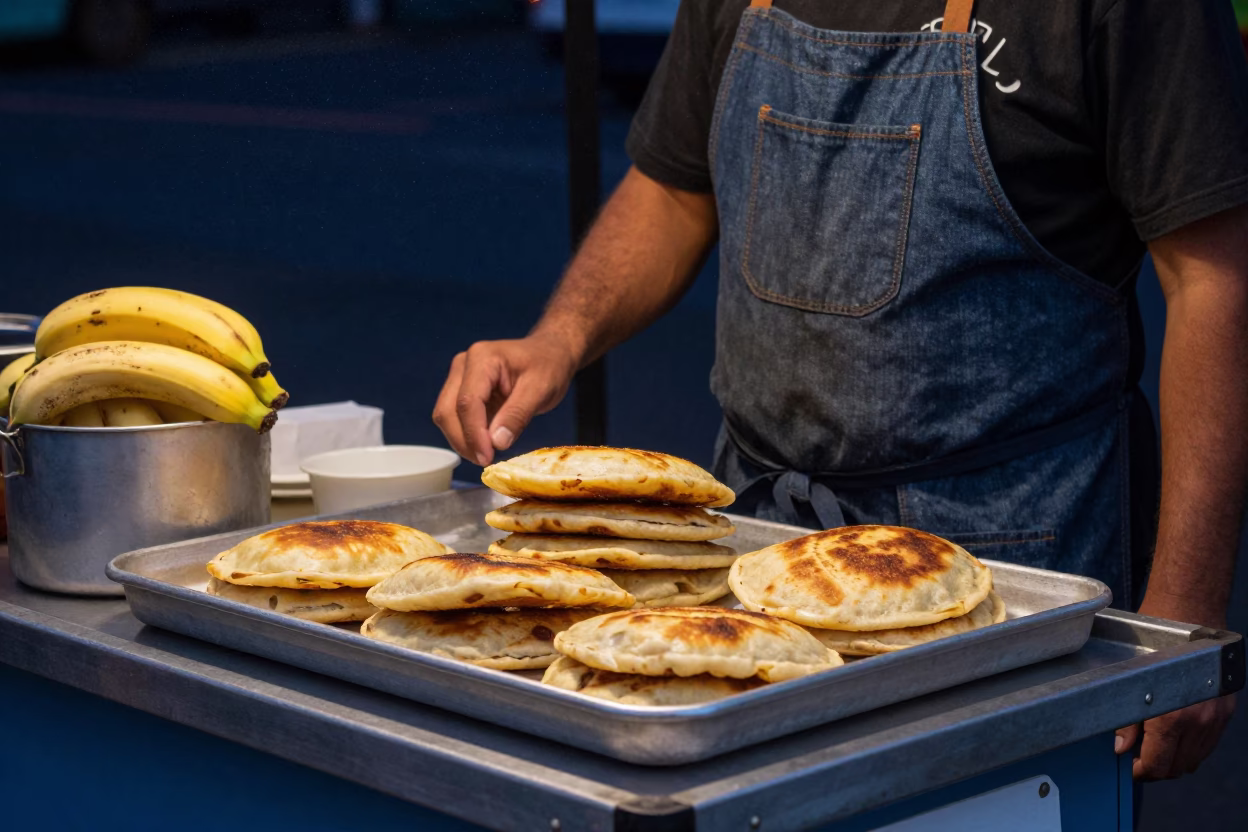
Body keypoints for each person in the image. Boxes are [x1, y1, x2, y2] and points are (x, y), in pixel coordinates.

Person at [434, 0, 1248, 781]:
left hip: (1013, 558)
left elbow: (1215, 282)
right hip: (760, 553)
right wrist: (559, 338)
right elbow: (673, 190)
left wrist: (1186, 617)